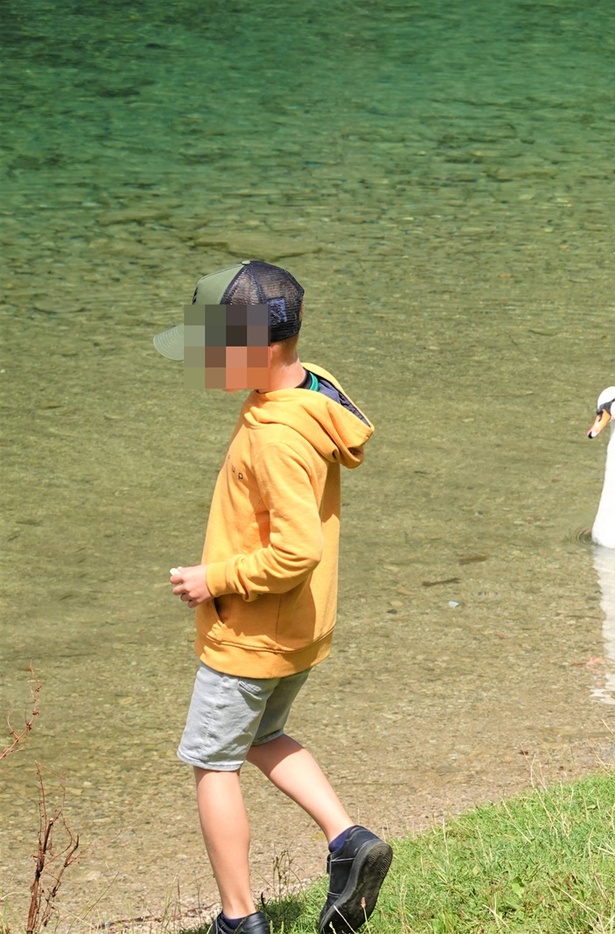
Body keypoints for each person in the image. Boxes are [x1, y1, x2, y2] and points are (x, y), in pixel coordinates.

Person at [157, 261, 391, 934]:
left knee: (212, 764)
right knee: (266, 734)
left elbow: (297, 551)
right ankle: (348, 842)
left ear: (259, 350)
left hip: (250, 634)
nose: (207, 358)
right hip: (299, 631)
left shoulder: (274, 435)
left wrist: (214, 580)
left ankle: (239, 919)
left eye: (217, 346)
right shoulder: (310, 389)